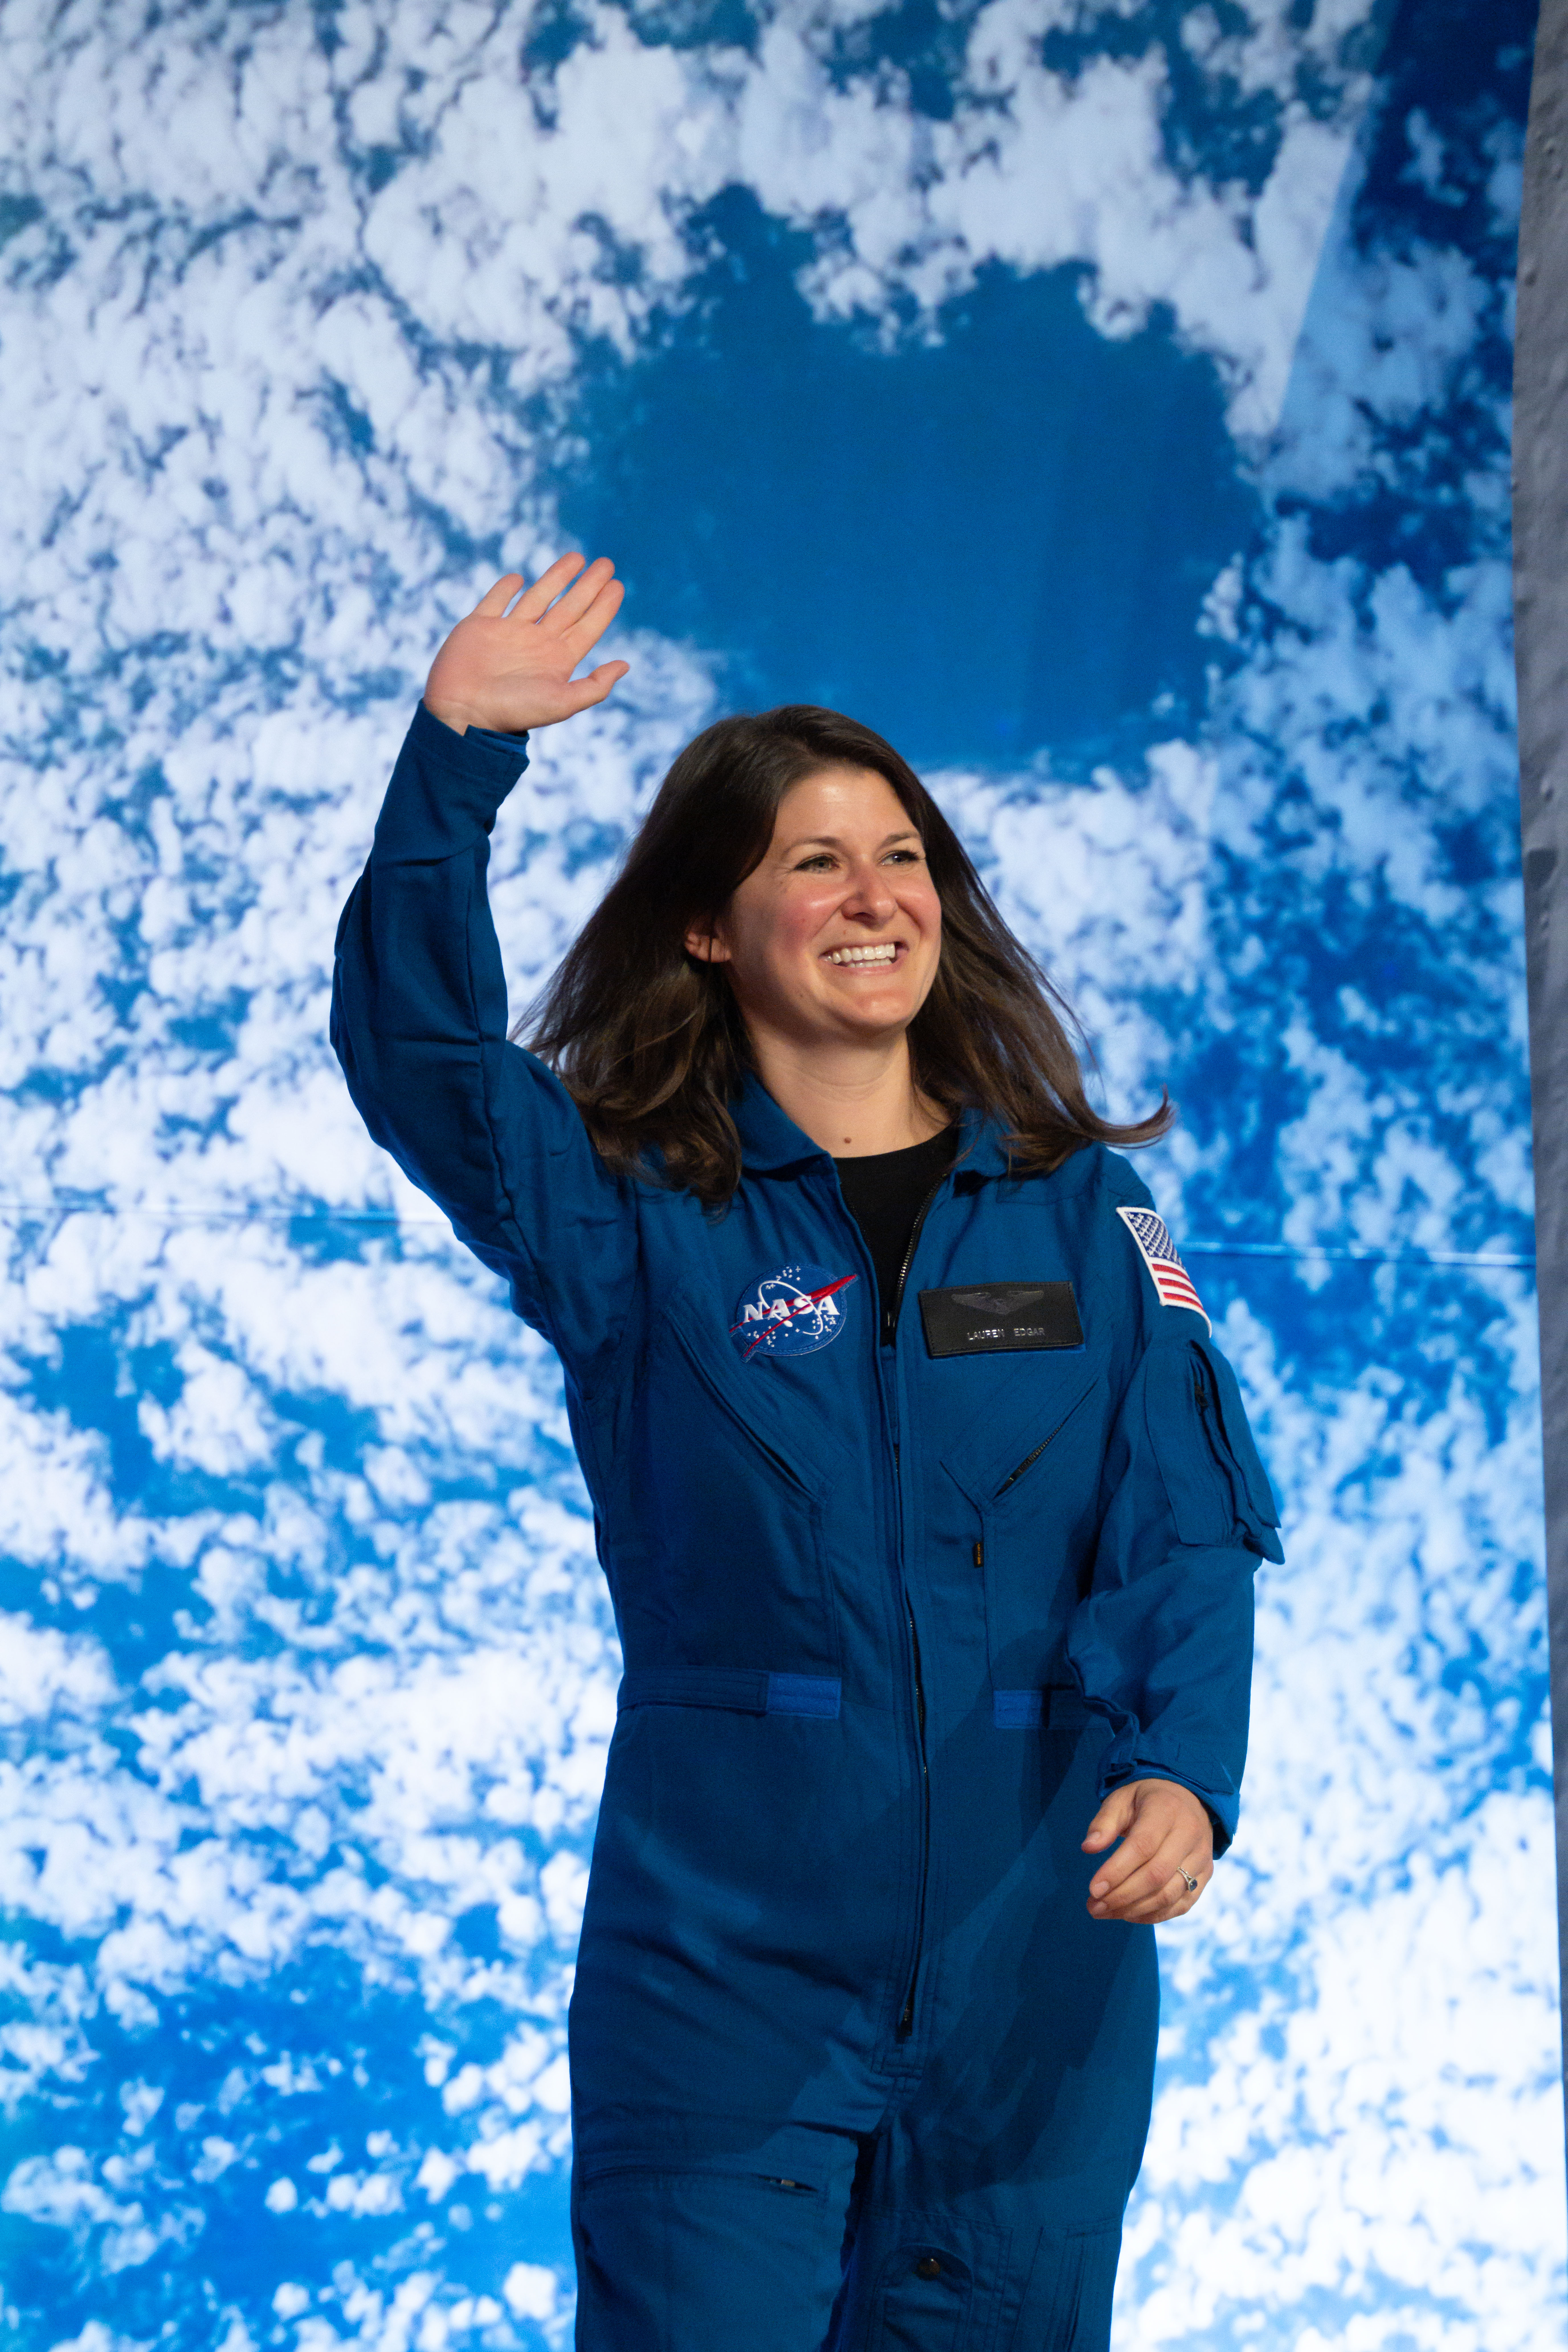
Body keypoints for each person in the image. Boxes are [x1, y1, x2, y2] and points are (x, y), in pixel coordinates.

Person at [331, 555, 1283, 2351]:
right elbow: (427, 1056)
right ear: (713, 924)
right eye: (814, 859)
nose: (875, 895)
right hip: (724, 1985)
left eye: (905, 854)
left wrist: (1185, 1764)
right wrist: (454, 750)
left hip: (1034, 1988)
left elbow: (1188, 1517)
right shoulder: (634, 1217)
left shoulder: (1089, 1215)